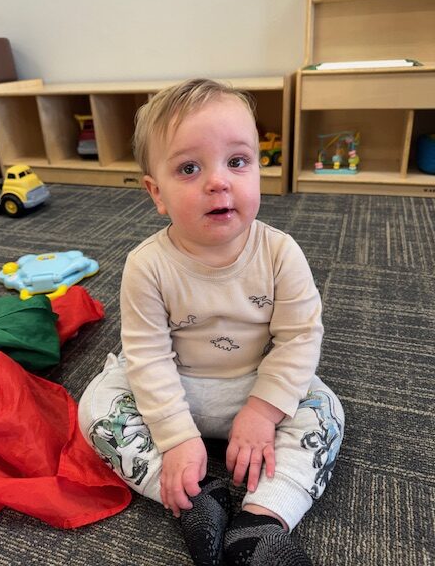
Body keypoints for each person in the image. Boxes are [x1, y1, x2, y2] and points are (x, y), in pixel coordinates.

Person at [78, 78, 344, 566]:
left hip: (256, 385)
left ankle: (263, 519)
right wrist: (176, 437)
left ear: (258, 169)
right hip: (175, 385)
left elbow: (299, 338)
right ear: (156, 193)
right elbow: (148, 357)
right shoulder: (146, 265)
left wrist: (263, 412)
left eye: (237, 161)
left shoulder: (281, 252)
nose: (218, 182)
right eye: (189, 168)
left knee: (326, 412)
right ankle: (195, 497)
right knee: (95, 408)